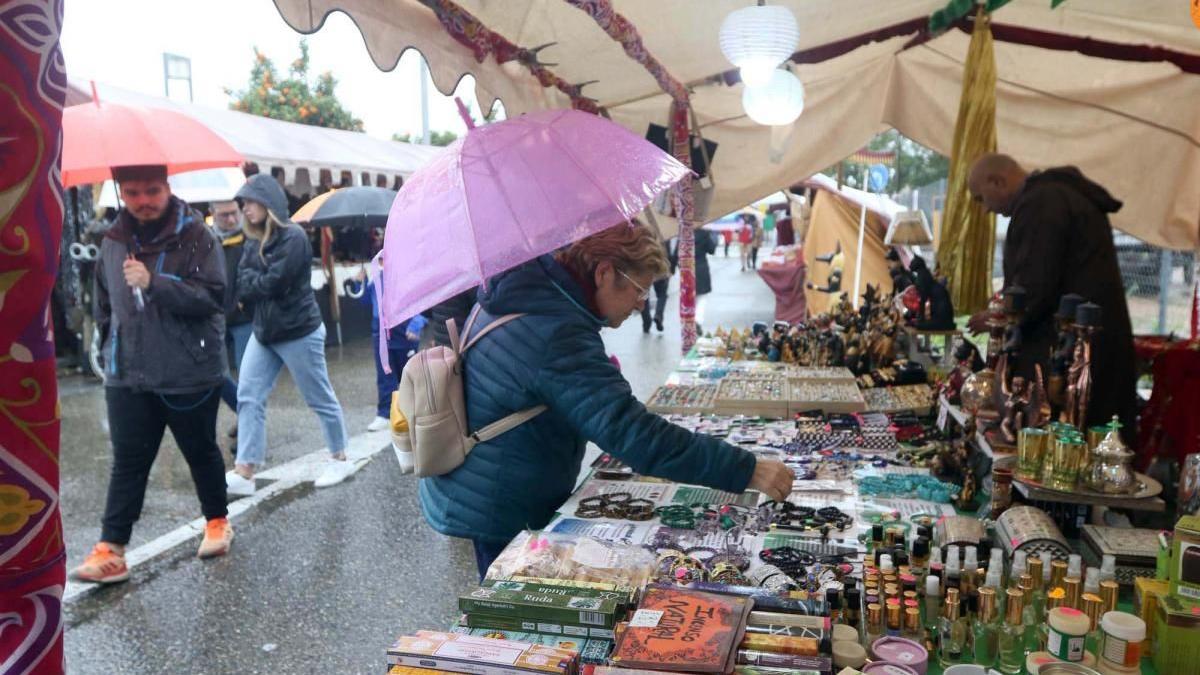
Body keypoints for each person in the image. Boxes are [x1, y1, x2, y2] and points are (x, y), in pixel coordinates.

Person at [419, 222, 795, 579]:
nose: (640, 305)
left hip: (490, 479)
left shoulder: (529, 294)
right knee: (506, 602)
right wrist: (746, 469)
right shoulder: (556, 329)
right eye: (639, 290)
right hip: (500, 499)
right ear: (603, 273)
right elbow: (631, 432)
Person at [71, 165, 232, 584]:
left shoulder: (198, 236)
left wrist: (154, 282)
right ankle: (112, 548)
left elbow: (215, 297)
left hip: (188, 371)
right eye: (133, 192)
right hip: (128, 374)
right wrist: (110, 347)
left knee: (199, 451)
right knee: (128, 462)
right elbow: (103, 302)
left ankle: (217, 519)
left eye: (152, 191)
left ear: (167, 188)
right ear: (121, 192)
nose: (143, 200)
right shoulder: (112, 240)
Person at [967, 153, 1137, 441]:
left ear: (997, 181)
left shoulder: (1042, 204)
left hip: (1074, 354)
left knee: (1069, 443)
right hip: (1090, 344)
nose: (985, 210)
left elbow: (1035, 286)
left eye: (980, 198)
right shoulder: (1055, 197)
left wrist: (1000, 317)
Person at [225, 174, 356, 496]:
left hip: (298, 331)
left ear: (268, 204)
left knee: (318, 397)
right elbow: (242, 282)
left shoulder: (294, 236)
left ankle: (340, 458)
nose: (246, 209)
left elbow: (273, 283)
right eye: (244, 204)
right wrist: (256, 282)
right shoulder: (254, 240)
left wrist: (256, 282)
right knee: (248, 395)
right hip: (265, 331)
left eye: (251, 202)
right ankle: (245, 470)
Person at [361, 263, 427, 432]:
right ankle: (385, 413)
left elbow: (424, 301)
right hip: (381, 334)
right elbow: (366, 301)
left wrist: (416, 323)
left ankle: (415, 412)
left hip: (404, 333)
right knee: (384, 375)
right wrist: (360, 283)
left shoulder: (410, 275)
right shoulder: (376, 277)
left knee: (408, 375)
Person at [211, 199, 253, 445]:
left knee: (247, 375)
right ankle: (246, 412)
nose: (230, 219)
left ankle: (249, 424)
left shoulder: (249, 238)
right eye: (224, 215)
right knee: (218, 374)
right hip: (216, 318)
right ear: (213, 214)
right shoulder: (208, 241)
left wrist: (241, 300)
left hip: (242, 317)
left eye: (233, 213)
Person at [641, 239, 672, 333]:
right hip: (661, 269)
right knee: (662, 295)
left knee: (644, 295)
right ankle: (658, 315)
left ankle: (646, 322)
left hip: (645, 270)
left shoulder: (641, 232)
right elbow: (668, 253)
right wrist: (672, 267)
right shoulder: (663, 234)